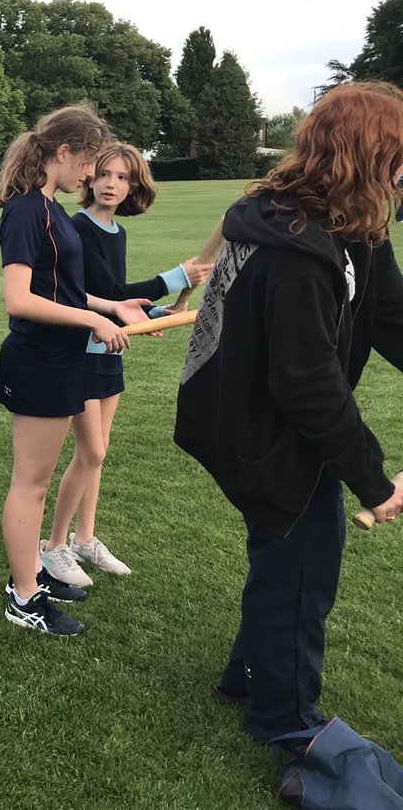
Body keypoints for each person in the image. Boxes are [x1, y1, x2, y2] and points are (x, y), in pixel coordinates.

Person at [175, 82, 403, 747]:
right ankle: (284, 719)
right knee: (303, 568)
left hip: (263, 421)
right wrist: (374, 478)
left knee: (284, 555)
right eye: (398, 157)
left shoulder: (353, 225)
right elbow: (308, 386)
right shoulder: (294, 245)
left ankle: (246, 675)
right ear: (367, 154)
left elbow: (390, 316)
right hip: (260, 431)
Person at [0, 106, 152, 637]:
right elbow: (19, 299)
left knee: (56, 470)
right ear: (64, 153)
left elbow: (61, 289)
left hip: (61, 359)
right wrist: (89, 317)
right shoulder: (24, 211)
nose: (91, 176)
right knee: (31, 482)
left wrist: (112, 307)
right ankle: (23, 597)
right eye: (87, 164)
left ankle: (34, 572)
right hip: (37, 359)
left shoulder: (50, 208)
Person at [41, 143, 212, 587]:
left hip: (110, 353)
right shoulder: (78, 227)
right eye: (104, 175)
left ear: (133, 186)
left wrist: (155, 314)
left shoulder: (116, 231)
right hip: (81, 351)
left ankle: (85, 539)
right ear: (90, 180)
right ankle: (54, 546)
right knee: (90, 450)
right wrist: (175, 278)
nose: (111, 184)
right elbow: (103, 289)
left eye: (122, 177)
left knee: (97, 455)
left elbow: (119, 302)